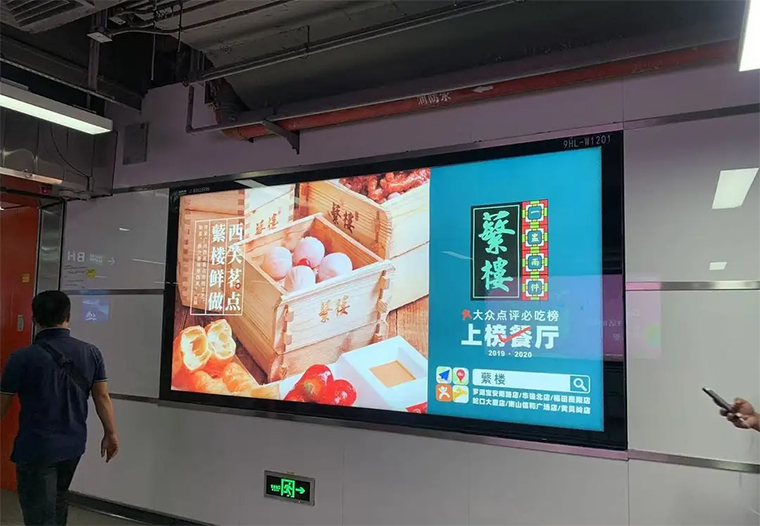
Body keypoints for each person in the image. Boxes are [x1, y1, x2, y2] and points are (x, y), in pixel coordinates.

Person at [0, 290, 119, 526]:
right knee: (58, 500)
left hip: (36, 447)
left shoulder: (22, 357)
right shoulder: (91, 352)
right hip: (73, 445)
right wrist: (111, 433)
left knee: (39, 513)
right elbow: (102, 396)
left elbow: (2, 403)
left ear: (34, 319)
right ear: (68, 316)